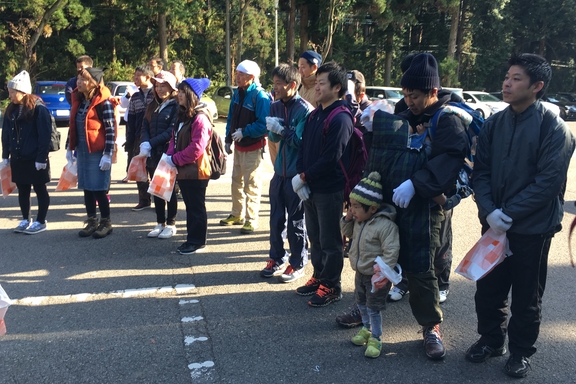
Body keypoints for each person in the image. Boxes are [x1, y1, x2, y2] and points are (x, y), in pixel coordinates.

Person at [465, 53, 575, 378]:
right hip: (494, 225)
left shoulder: (553, 128)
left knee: (527, 296)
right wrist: (489, 211)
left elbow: (547, 184)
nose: (507, 83)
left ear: (537, 86)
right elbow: (480, 171)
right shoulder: (495, 122)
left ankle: (520, 352)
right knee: (488, 288)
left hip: (533, 229)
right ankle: (491, 340)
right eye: (507, 76)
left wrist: (507, 213)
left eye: (516, 78)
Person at [294, 61, 354, 307]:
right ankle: (319, 276)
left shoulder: (340, 118)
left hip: (329, 189)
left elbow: (331, 158)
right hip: (311, 187)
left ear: (337, 87)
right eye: (316, 83)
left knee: (330, 241)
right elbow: (303, 148)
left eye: (321, 83)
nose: (316, 87)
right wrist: (301, 174)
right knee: (315, 237)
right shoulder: (315, 115)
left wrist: (305, 177)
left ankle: (331, 285)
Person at [261, 63, 313, 282]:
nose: (275, 88)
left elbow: (302, 142)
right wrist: (273, 130)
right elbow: (274, 139)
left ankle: (298, 262)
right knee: (275, 220)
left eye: (278, 84)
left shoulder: (304, 109)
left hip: (296, 176)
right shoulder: (274, 106)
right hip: (278, 173)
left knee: (295, 222)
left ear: (292, 85)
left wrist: (281, 129)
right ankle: (276, 257)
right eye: (273, 83)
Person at [340, 172, 399, 358]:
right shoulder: (359, 220)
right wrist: (347, 219)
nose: (353, 210)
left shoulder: (385, 226)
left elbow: (391, 250)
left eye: (356, 207)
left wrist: (383, 273)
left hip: (376, 277)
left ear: (372, 208)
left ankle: (376, 337)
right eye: (351, 206)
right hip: (360, 272)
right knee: (361, 304)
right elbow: (347, 233)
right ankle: (366, 329)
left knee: (373, 308)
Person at [220, 60, 271, 234]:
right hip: (239, 146)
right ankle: (236, 214)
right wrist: (228, 138)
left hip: (253, 147)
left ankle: (251, 219)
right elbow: (231, 118)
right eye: (237, 73)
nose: (237, 77)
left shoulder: (260, 96)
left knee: (252, 185)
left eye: (241, 74)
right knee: (236, 182)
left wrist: (245, 131)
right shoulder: (238, 93)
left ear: (251, 77)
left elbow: (264, 124)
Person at [67, 67, 116, 238]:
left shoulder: (104, 103)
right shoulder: (79, 101)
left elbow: (111, 130)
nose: (79, 82)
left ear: (93, 83)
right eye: (78, 78)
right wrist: (69, 147)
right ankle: (91, 221)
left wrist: (108, 154)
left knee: (99, 189)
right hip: (82, 150)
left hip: (98, 151)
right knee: (86, 187)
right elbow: (73, 125)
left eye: (84, 79)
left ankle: (106, 222)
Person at [166, 78, 213, 255]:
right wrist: (169, 155)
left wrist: (175, 159)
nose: (178, 94)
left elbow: (197, 148)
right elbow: (174, 138)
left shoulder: (200, 118)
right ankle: (192, 238)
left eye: (182, 91)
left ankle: (197, 241)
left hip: (196, 171)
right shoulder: (183, 115)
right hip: (184, 169)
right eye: (178, 91)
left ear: (192, 95)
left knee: (196, 207)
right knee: (191, 205)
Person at [1, 70, 51, 234]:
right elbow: (6, 134)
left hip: (35, 157)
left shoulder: (38, 108)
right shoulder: (11, 109)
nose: (10, 96)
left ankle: (41, 221)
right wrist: (5, 155)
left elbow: (45, 135)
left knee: (39, 188)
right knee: (22, 189)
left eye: (13, 92)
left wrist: (41, 157)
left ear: (23, 91)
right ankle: (25, 219)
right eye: (9, 92)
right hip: (18, 157)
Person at [138, 71, 180, 239]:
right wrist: (145, 143)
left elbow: (172, 130)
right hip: (153, 154)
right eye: (157, 85)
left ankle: (171, 223)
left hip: (168, 153)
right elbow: (145, 126)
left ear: (171, 87)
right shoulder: (152, 105)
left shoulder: (177, 105)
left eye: (163, 85)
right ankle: (159, 222)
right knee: (156, 189)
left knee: (168, 190)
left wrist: (152, 142)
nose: (159, 89)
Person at [125, 65, 155, 210]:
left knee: (154, 168)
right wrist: (129, 140)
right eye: (134, 76)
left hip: (155, 136)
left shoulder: (157, 93)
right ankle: (144, 200)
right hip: (138, 137)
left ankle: (160, 199)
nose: (135, 79)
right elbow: (130, 119)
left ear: (148, 77)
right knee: (139, 169)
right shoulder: (135, 96)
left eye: (138, 76)